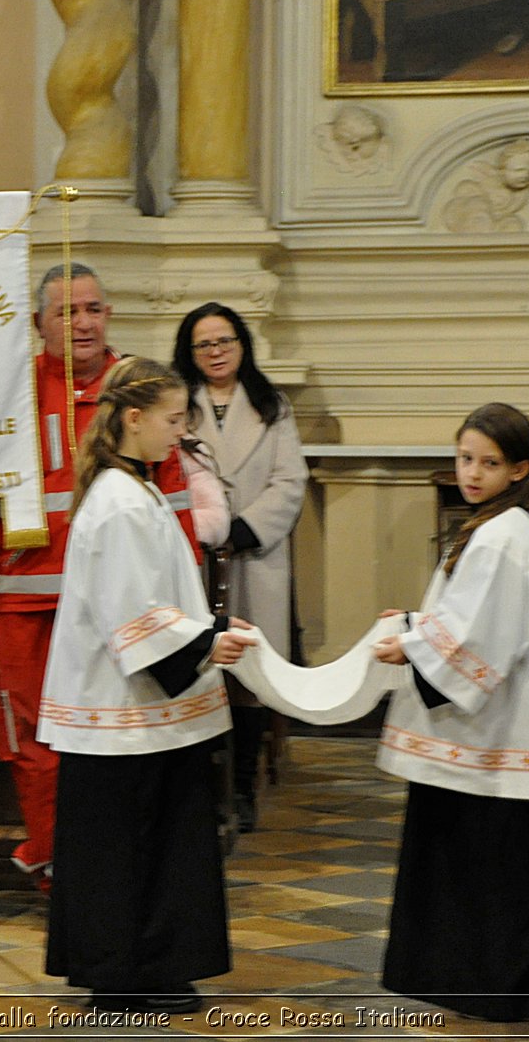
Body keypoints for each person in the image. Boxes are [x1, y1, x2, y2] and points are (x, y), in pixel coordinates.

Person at [38, 355, 255, 1014]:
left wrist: (208, 626)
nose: (178, 432)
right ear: (133, 417)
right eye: (171, 418)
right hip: (124, 711)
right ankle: (128, 974)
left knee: (142, 843)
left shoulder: (136, 489)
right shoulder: (122, 501)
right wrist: (205, 640)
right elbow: (130, 613)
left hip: (138, 711)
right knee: (131, 847)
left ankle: (140, 967)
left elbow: (155, 595)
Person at [0, 262, 198, 893]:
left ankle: (106, 872)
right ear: (37, 322)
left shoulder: (139, 387)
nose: (82, 323)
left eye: (94, 309)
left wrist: (181, 609)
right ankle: (61, 871)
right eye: (66, 311)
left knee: (121, 742)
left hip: (123, 612)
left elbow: (176, 502)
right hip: (25, 607)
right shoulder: (3, 391)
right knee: (33, 749)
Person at [371, 402, 529, 1023]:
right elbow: (463, 620)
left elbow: (483, 639)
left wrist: (409, 646)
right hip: (491, 731)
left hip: (497, 736)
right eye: (465, 459)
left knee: (488, 864)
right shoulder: (489, 528)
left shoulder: (502, 537)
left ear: (520, 470)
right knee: (475, 859)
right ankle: (463, 978)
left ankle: (496, 985)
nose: (473, 472)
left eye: (490, 463)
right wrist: (412, 628)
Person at [172, 302, 307, 832]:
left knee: (248, 673)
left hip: (255, 553)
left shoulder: (271, 405)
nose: (216, 352)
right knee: (202, 667)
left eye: (224, 341)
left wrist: (245, 528)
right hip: (196, 556)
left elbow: (290, 480)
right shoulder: (179, 404)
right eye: (204, 344)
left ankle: (245, 786)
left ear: (242, 344)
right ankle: (204, 784)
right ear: (190, 352)